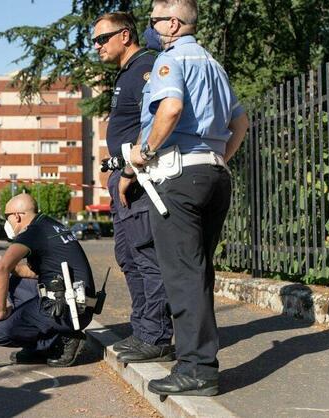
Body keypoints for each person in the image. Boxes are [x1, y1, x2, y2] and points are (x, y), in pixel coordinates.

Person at [126, 0, 249, 396]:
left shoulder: (172, 59)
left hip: (178, 176)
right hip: (213, 173)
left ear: (173, 24)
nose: (151, 27)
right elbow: (239, 122)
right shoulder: (213, 64)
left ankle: (197, 369)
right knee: (199, 273)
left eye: (154, 20)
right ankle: (199, 363)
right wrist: (215, 159)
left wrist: (143, 153)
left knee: (182, 274)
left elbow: (171, 107)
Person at [92, 12, 174, 363]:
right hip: (123, 176)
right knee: (128, 257)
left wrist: (129, 167)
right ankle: (143, 330)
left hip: (137, 177)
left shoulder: (147, 65)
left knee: (145, 255)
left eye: (102, 39)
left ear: (124, 35)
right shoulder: (127, 73)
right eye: (94, 41)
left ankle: (156, 335)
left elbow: (153, 119)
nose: (96, 46)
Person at [0, 193, 95, 367]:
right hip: (80, 305)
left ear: (17, 216)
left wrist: (1, 310)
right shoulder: (50, 225)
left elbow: (2, 268)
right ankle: (43, 344)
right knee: (15, 282)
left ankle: (61, 339)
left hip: (66, 310)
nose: (8, 223)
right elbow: (36, 272)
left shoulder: (32, 232)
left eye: (7, 217)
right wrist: (14, 269)